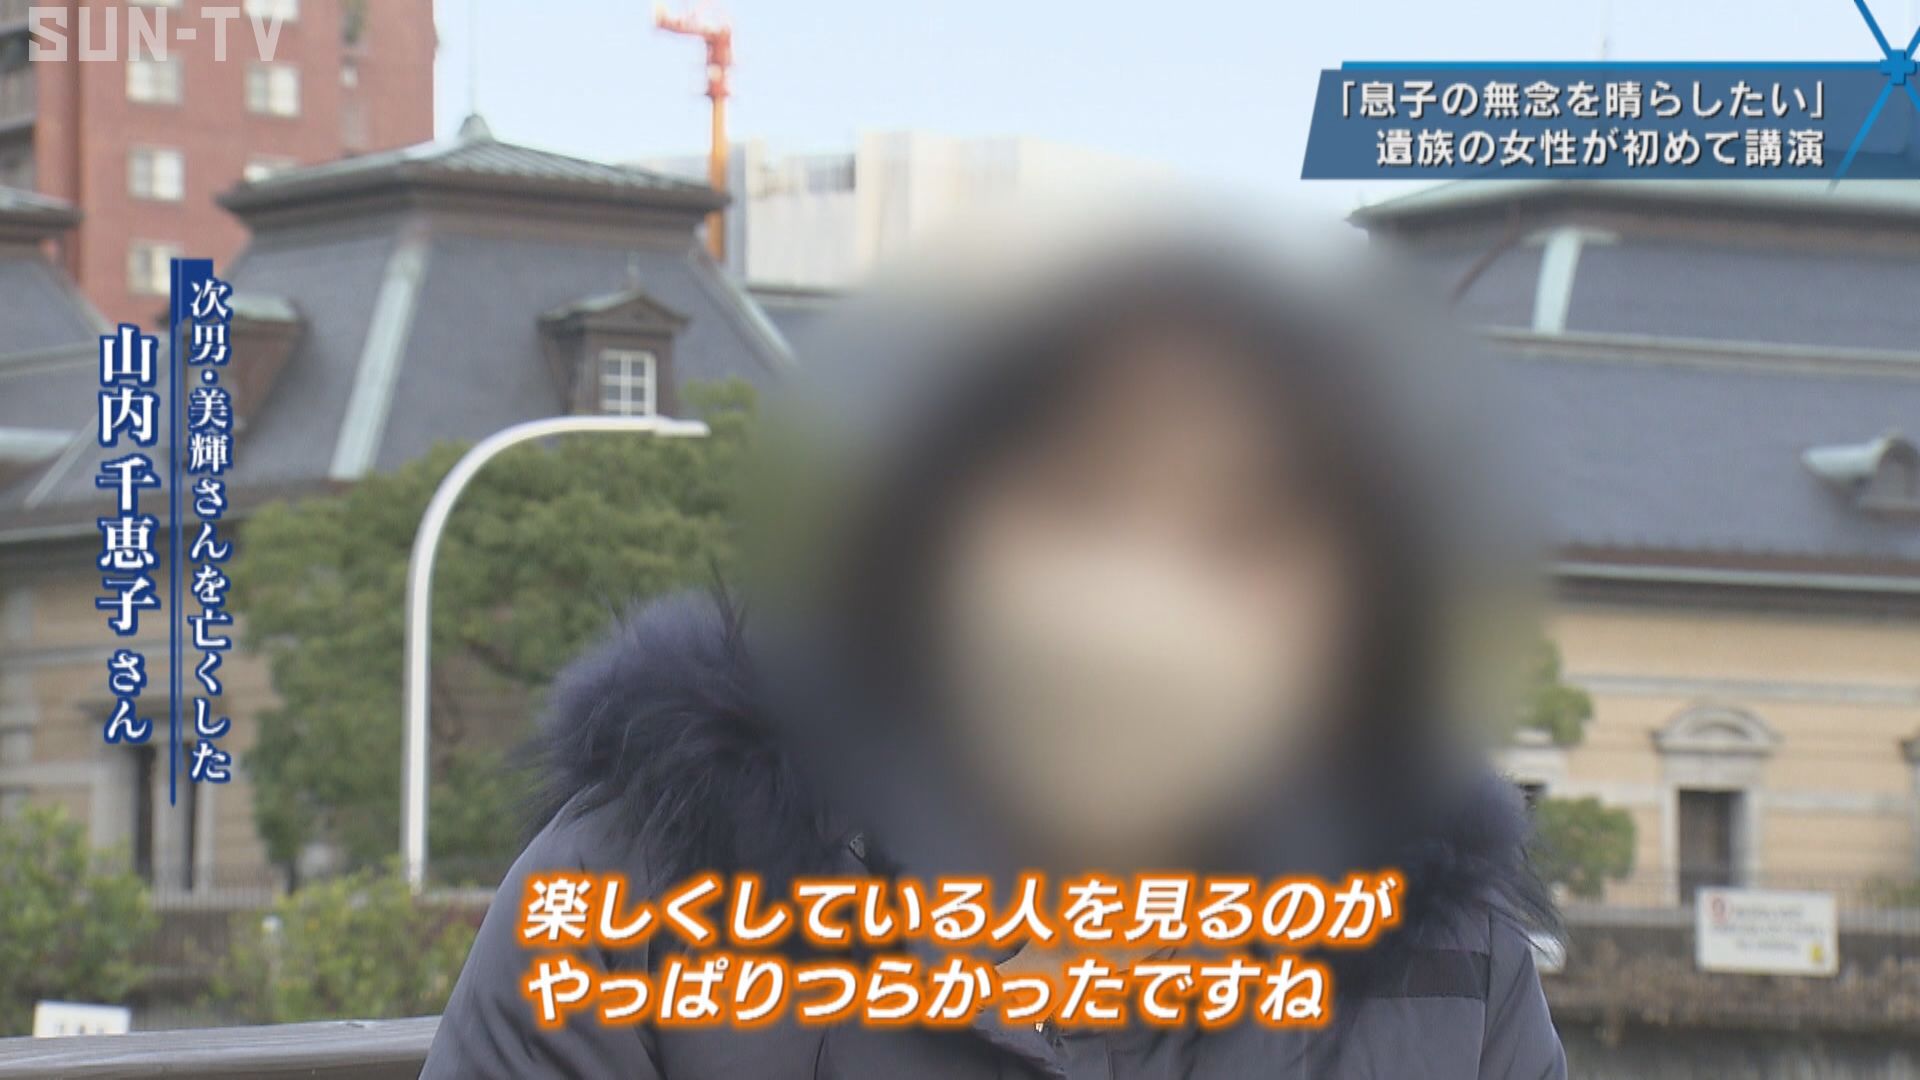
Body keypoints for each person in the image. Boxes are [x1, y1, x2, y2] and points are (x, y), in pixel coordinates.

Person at [423, 219, 1567, 1078]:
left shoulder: (1452, 958)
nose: (1140, 608)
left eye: (1246, 537)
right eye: (1073, 503)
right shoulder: (629, 907)